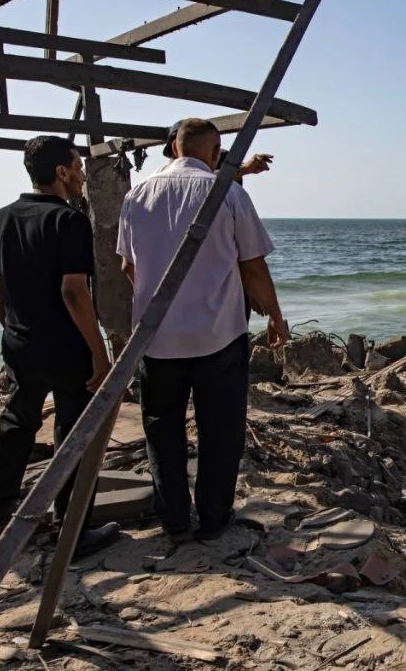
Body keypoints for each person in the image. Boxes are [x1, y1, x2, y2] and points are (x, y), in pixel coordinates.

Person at [117, 118, 289, 542]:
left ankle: (174, 520)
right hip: (218, 334)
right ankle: (213, 518)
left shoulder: (137, 195)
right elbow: (252, 266)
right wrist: (275, 316)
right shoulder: (227, 192)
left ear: (175, 148)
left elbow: (128, 267)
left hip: (157, 338)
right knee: (220, 431)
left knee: (162, 431)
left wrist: (158, 303)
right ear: (215, 152)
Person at [0, 136, 120, 554]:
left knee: (16, 422)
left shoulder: (2, 218)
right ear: (61, 172)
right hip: (65, 347)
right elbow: (74, 292)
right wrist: (99, 352)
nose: (82, 176)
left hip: (20, 343)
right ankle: (71, 531)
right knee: (74, 433)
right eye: (78, 167)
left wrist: (13, 328)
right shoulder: (68, 221)